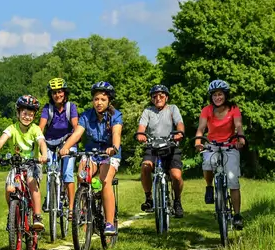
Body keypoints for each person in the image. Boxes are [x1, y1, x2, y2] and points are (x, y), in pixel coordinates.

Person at [59, 81, 122, 235]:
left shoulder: (116, 115)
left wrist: (113, 148)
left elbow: (116, 133)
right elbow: (77, 133)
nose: (99, 102)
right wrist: (65, 147)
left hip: (109, 154)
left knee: (105, 181)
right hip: (92, 153)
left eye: (102, 99)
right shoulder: (87, 115)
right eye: (96, 99)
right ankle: (84, 209)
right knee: (81, 176)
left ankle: (109, 223)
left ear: (109, 101)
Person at [0, 95, 48, 231]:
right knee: (10, 189)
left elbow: (41, 142)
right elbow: (1, 141)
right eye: (24, 114)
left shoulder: (35, 129)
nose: (27, 117)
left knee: (32, 184)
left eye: (31, 115)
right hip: (17, 165)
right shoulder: (12, 128)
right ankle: (13, 215)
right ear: (18, 113)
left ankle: (37, 217)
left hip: (33, 163)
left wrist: (44, 155)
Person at [194, 79, 246, 230]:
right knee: (207, 164)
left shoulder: (233, 109)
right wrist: (198, 140)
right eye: (215, 95)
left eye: (220, 94)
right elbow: (201, 128)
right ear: (211, 97)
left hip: (230, 145)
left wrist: (240, 138)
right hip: (212, 145)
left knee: (233, 180)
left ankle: (237, 215)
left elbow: (238, 126)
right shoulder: (206, 110)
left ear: (225, 95)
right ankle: (209, 187)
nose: (218, 97)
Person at [136, 84, 186, 217]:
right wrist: (141, 134)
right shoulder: (148, 111)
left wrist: (179, 132)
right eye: (154, 96)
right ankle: (149, 198)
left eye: (161, 96)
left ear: (166, 97)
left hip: (170, 145)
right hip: (152, 145)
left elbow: (179, 123)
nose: (158, 98)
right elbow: (142, 126)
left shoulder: (173, 109)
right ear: (152, 99)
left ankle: (177, 201)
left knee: (176, 175)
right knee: (146, 167)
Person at [38, 77, 79, 213]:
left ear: (65, 93)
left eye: (60, 92)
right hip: (50, 144)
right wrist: (38, 141)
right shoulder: (47, 108)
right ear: (51, 95)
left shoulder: (70, 107)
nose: (57, 95)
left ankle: (72, 208)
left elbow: (75, 126)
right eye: (54, 92)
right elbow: (41, 127)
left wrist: (69, 145)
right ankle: (50, 201)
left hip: (67, 142)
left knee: (67, 174)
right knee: (51, 172)